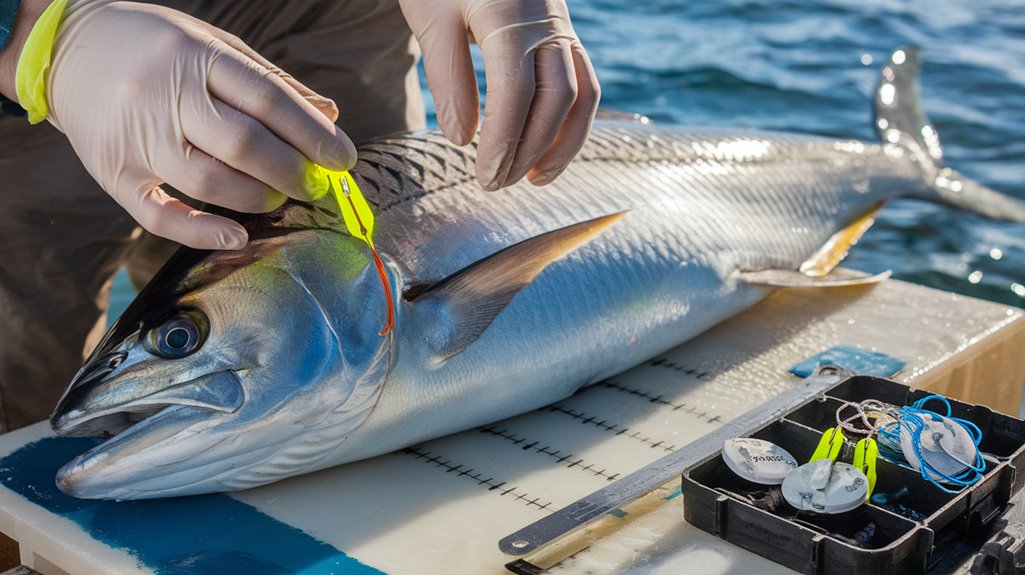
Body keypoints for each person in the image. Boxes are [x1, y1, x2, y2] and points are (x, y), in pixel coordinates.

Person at [0, 0, 600, 431]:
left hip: (326, 12)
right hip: (48, 67)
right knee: (31, 394)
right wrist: (37, 41)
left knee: (371, 298)